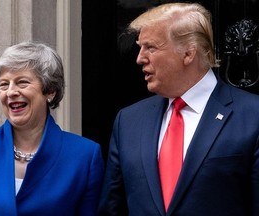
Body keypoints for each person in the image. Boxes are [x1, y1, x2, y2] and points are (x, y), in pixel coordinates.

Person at [98, 2, 259, 216]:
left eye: (151, 47)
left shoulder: (252, 115)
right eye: (140, 47)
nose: (139, 58)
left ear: (188, 53)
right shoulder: (128, 121)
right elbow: (112, 208)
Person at [0, 41, 104, 215]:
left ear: (50, 91)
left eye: (22, 82)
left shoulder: (85, 156)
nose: (10, 92)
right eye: (4, 84)